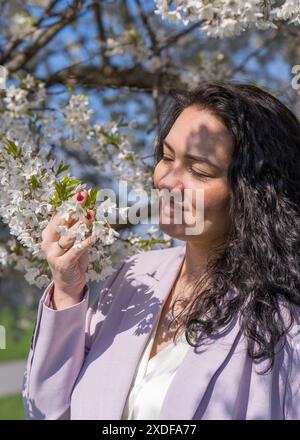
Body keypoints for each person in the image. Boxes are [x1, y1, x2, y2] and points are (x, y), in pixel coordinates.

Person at [22, 80, 300, 420]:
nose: (167, 180)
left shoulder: (280, 322)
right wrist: (66, 290)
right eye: (167, 156)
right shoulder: (134, 276)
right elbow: (48, 411)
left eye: (199, 170)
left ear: (254, 195)